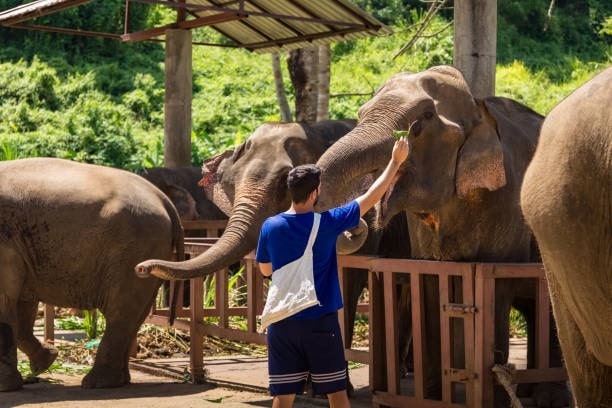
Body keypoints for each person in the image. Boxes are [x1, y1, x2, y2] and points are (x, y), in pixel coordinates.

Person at [256, 136, 410, 408]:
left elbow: (265, 269)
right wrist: (395, 162)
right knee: (336, 393)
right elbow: (371, 195)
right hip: (320, 323)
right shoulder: (327, 223)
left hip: (282, 323)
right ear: (315, 193)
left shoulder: (271, 226)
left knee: (283, 396)